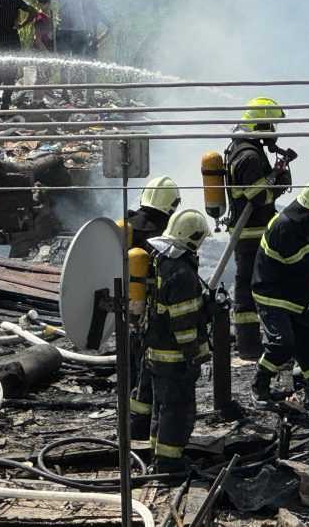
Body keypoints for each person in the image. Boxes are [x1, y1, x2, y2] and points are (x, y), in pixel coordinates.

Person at [250, 179, 309, 411]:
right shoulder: (285, 226)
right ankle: (259, 386)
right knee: (282, 344)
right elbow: (303, 265)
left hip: (296, 297)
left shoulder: (305, 218)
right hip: (273, 295)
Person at [224, 97, 292, 359]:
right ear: (260, 122)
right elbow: (257, 197)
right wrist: (278, 182)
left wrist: (275, 176)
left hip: (249, 230)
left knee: (249, 285)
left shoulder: (242, 147)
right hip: (252, 231)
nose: (273, 129)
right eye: (270, 123)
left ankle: (249, 343)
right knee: (250, 288)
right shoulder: (249, 155)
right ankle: (249, 346)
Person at [144, 209, 211, 473]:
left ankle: (157, 455)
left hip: (156, 352)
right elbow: (183, 321)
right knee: (178, 410)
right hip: (175, 356)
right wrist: (192, 354)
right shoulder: (181, 272)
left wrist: (205, 305)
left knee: (161, 407)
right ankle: (170, 465)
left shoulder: (160, 259)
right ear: (191, 237)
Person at [125, 176, 181, 441]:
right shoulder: (161, 235)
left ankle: (132, 422)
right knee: (145, 370)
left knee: (131, 367)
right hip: (150, 312)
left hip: (123, 305)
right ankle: (143, 425)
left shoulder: (126, 224)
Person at [50, 0, 92, 101]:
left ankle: (78, 92)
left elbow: (87, 8)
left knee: (78, 61)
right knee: (64, 62)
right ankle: (64, 92)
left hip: (79, 29)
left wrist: (89, 28)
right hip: (63, 28)